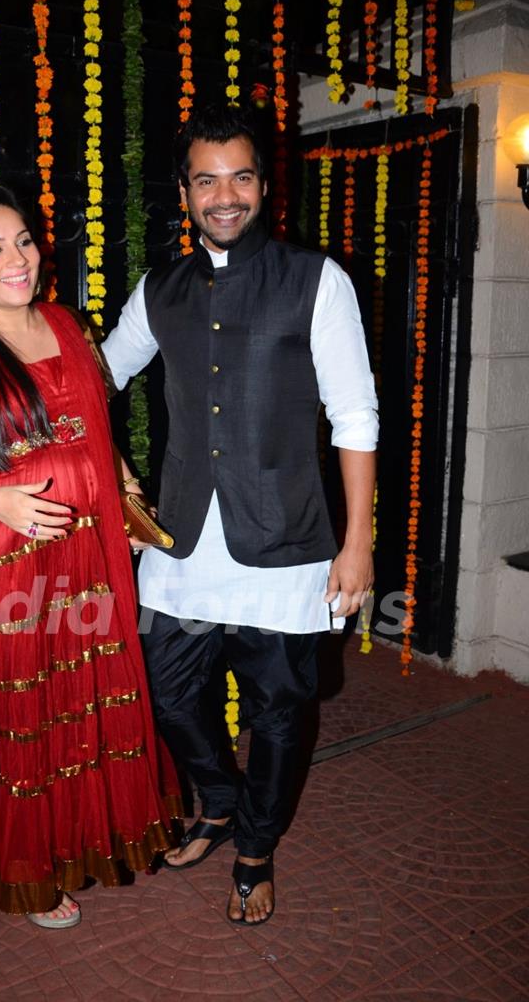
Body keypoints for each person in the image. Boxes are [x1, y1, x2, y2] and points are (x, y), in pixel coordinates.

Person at [102, 103, 378, 926]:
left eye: (241, 176)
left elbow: (356, 416)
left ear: (264, 183)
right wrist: (113, 469)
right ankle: (218, 801)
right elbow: (95, 377)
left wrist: (356, 542)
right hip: (182, 545)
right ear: (184, 192)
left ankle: (255, 847)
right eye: (206, 179)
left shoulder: (315, 280)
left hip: (289, 543)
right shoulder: (161, 290)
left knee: (280, 716)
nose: (225, 195)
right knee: (167, 691)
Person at [0, 182, 180, 928]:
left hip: (84, 555)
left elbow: (91, 421)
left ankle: (74, 842)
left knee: (73, 703)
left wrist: (115, 472)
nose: (17, 258)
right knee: (19, 713)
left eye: (23, 240)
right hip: (1, 567)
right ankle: (29, 872)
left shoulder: (66, 326)